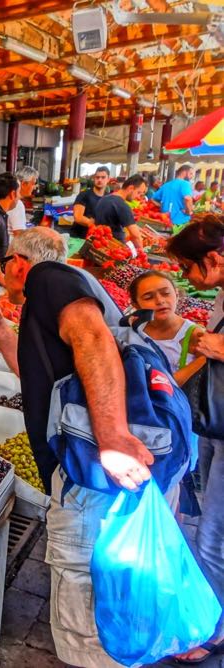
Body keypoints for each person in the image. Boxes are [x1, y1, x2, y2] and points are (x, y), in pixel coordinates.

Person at [0, 227, 186, 668]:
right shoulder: (58, 298)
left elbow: (92, 340)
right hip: (98, 472)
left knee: (89, 613)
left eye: (7, 260)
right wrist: (0, 329)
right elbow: (41, 377)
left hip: (92, 478)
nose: (5, 270)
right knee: (117, 599)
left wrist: (111, 437)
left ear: (19, 263)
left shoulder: (48, 277)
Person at [166, 213, 224, 664]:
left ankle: (211, 630)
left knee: (212, 537)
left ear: (214, 258)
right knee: (210, 520)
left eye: (187, 268)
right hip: (217, 424)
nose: (186, 278)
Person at [128, 270, 204, 385]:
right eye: (148, 297)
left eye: (166, 293)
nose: (160, 301)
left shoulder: (196, 336)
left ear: (177, 295)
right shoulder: (134, 332)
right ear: (136, 305)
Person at [94, 174, 146, 246]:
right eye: (138, 192)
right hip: (113, 247)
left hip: (100, 244)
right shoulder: (122, 205)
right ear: (131, 188)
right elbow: (136, 237)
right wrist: (142, 253)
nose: (138, 197)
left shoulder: (104, 198)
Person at [152, 163, 194, 229]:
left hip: (165, 221)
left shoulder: (166, 185)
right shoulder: (185, 184)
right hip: (180, 222)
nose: (192, 176)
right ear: (185, 172)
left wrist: (161, 205)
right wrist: (188, 212)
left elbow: (152, 199)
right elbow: (187, 198)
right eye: (191, 173)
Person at [72, 167, 110, 239]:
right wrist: (96, 225)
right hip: (79, 237)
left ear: (108, 179)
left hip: (98, 238)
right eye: (97, 177)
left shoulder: (109, 198)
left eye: (103, 177)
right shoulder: (84, 195)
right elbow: (77, 217)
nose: (99, 180)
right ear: (94, 178)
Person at [7, 166, 39, 237]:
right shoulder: (17, 204)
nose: (34, 187)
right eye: (33, 183)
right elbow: (19, 234)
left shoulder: (8, 199)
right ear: (24, 184)